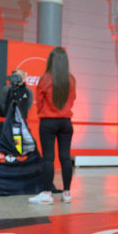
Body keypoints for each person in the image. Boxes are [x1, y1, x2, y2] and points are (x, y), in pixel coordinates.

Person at [29, 47, 76, 204]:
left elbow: (40, 103)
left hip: (48, 122)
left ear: (51, 61)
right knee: (65, 158)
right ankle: (67, 193)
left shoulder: (45, 79)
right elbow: (73, 99)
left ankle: (47, 194)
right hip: (66, 123)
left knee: (48, 158)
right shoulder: (71, 79)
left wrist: (47, 112)